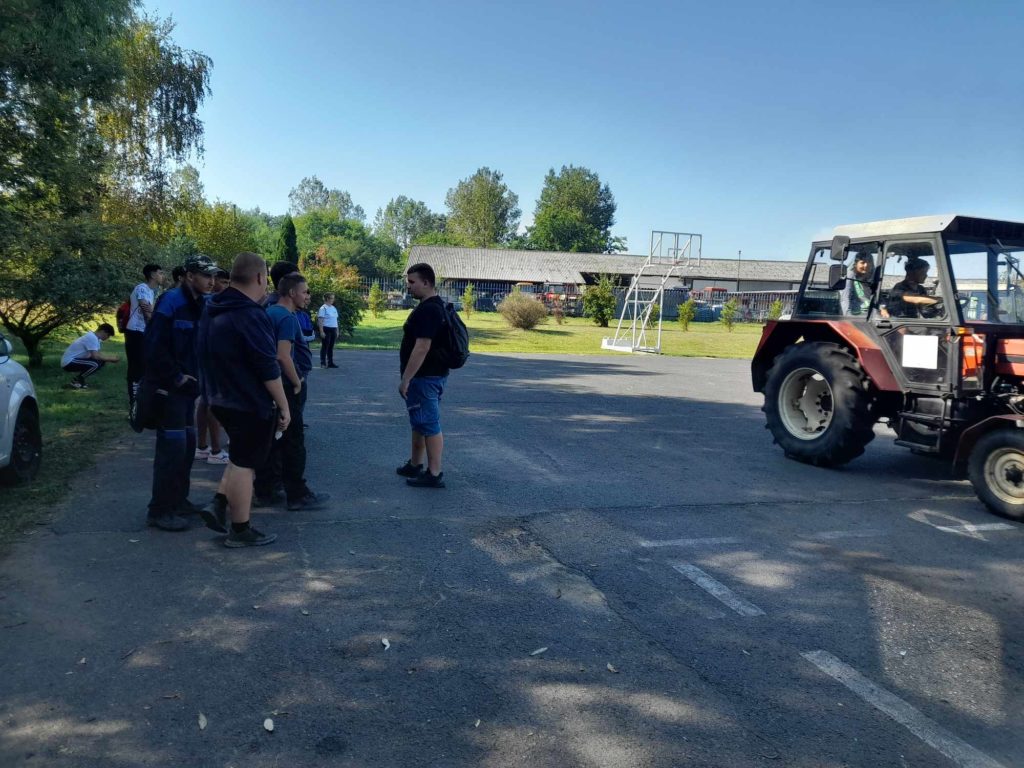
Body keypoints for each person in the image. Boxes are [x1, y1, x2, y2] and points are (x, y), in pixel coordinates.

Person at [198, 252, 289, 548]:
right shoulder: (251, 314)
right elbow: (267, 366)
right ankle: (240, 529)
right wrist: (284, 406)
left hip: (219, 396)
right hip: (247, 401)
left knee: (240, 454)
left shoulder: (213, 308)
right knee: (244, 464)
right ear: (261, 278)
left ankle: (219, 502)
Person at [142, 254, 219, 532]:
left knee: (186, 446)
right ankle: (159, 510)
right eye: (205, 275)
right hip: (168, 389)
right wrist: (174, 378)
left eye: (213, 275)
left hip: (187, 391)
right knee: (171, 449)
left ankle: (178, 501)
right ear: (189, 276)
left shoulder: (202, 304)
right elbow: (153, 346)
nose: (211, 281)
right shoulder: (171, 302)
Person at [255, 267, 329, 511]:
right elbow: (283, 356)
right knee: (294, 440)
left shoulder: (270, 312)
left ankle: (266, 488)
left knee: (273, 438)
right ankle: (297, 494)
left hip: (272, 385)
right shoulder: (287, 317)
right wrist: (297, 381)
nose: (308, 296)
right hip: (287, 386)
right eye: (305, 292)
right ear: (291, 293)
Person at [396, 263, 449, 488]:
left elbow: (422, 347)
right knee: (419, 421)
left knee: (429, 423)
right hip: (429, 375)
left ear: (426, 282)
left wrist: (406, 378)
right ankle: (416, 463)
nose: (408, 286)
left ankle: (434, 473)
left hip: (425, 377)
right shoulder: (435, 306)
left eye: (412, 282)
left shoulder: (429, 310)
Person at [195, 269, 230, 464]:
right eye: (222, 282)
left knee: (205, 401)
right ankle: (216, 450)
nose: (225, 286)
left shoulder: (203, 301)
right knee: (213, 402)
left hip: (203, 356)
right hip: (213, 358)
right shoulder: (213, 302)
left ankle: (202, 446)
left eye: (227, 282)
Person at [125, 264, 164, 409]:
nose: (162, 276)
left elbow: (151, 311)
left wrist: (153, 310)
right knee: (136, 367)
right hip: (135, 331)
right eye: (160, 273)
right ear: (152, 275)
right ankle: (134, 403)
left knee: (145, 365)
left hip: (144, 332)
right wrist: (153, 311)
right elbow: (146, 311)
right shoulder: (142, 288)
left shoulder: (153, 291)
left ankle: (143, 401)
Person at [61, 324, 120, 389]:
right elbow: (96, 356)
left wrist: (109, 358)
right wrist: (111, 359)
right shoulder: (91, 337)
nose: (108, 338)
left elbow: (98, 355)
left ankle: (79, 381)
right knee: (95, 364)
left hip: (74, 360)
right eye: (108, 335)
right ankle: (76, 381)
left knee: (101, 362)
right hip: (69, 362)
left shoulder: (96, 338)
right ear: (103, 331)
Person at [317, 293, 339, 368]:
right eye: (332, 298)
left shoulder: (333, 308)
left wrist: (337, 330)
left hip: (333, 329)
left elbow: (335, 320)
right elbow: (320, 320)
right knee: (325, 346)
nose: (333, 300)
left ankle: (330, 362)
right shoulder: (323, 308)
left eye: (333, 298)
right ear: (327, 299)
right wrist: (321, 331)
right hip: (326, 329)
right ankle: (323, 363)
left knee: (331, 347)